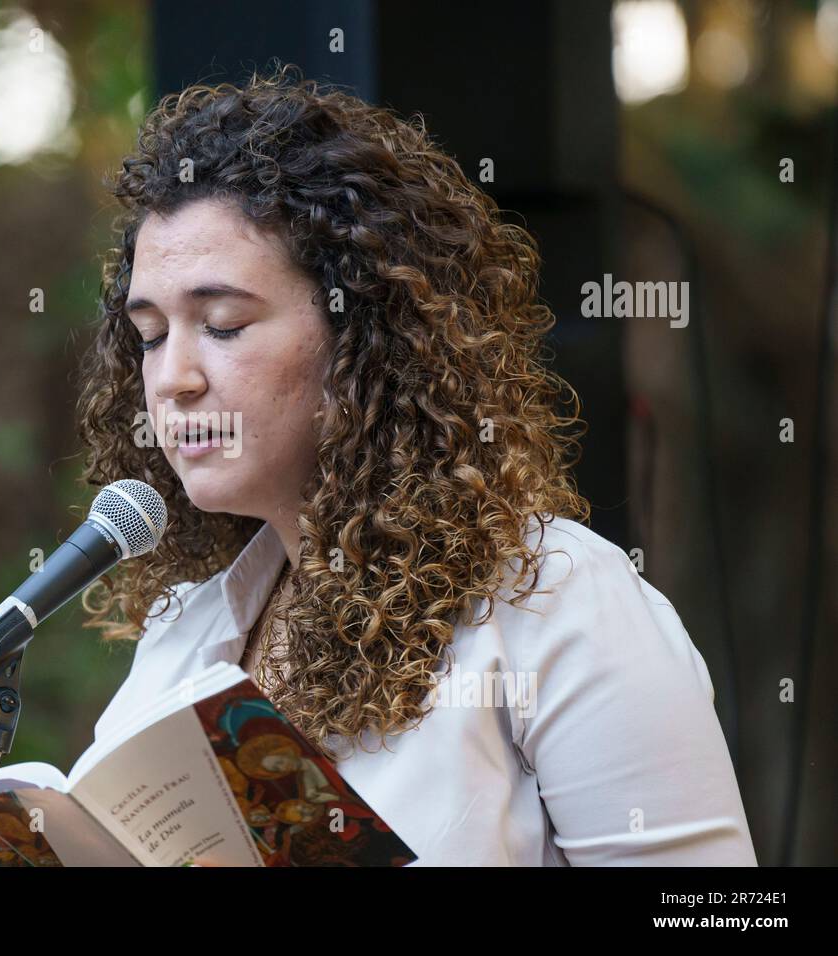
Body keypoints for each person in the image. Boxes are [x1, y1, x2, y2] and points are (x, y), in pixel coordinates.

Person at [73, 64, 756, 865]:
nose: (173, 378)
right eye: (150, 335)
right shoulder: (184, 636)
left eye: (222, 324)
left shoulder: (558, 606)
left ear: (364, 333)